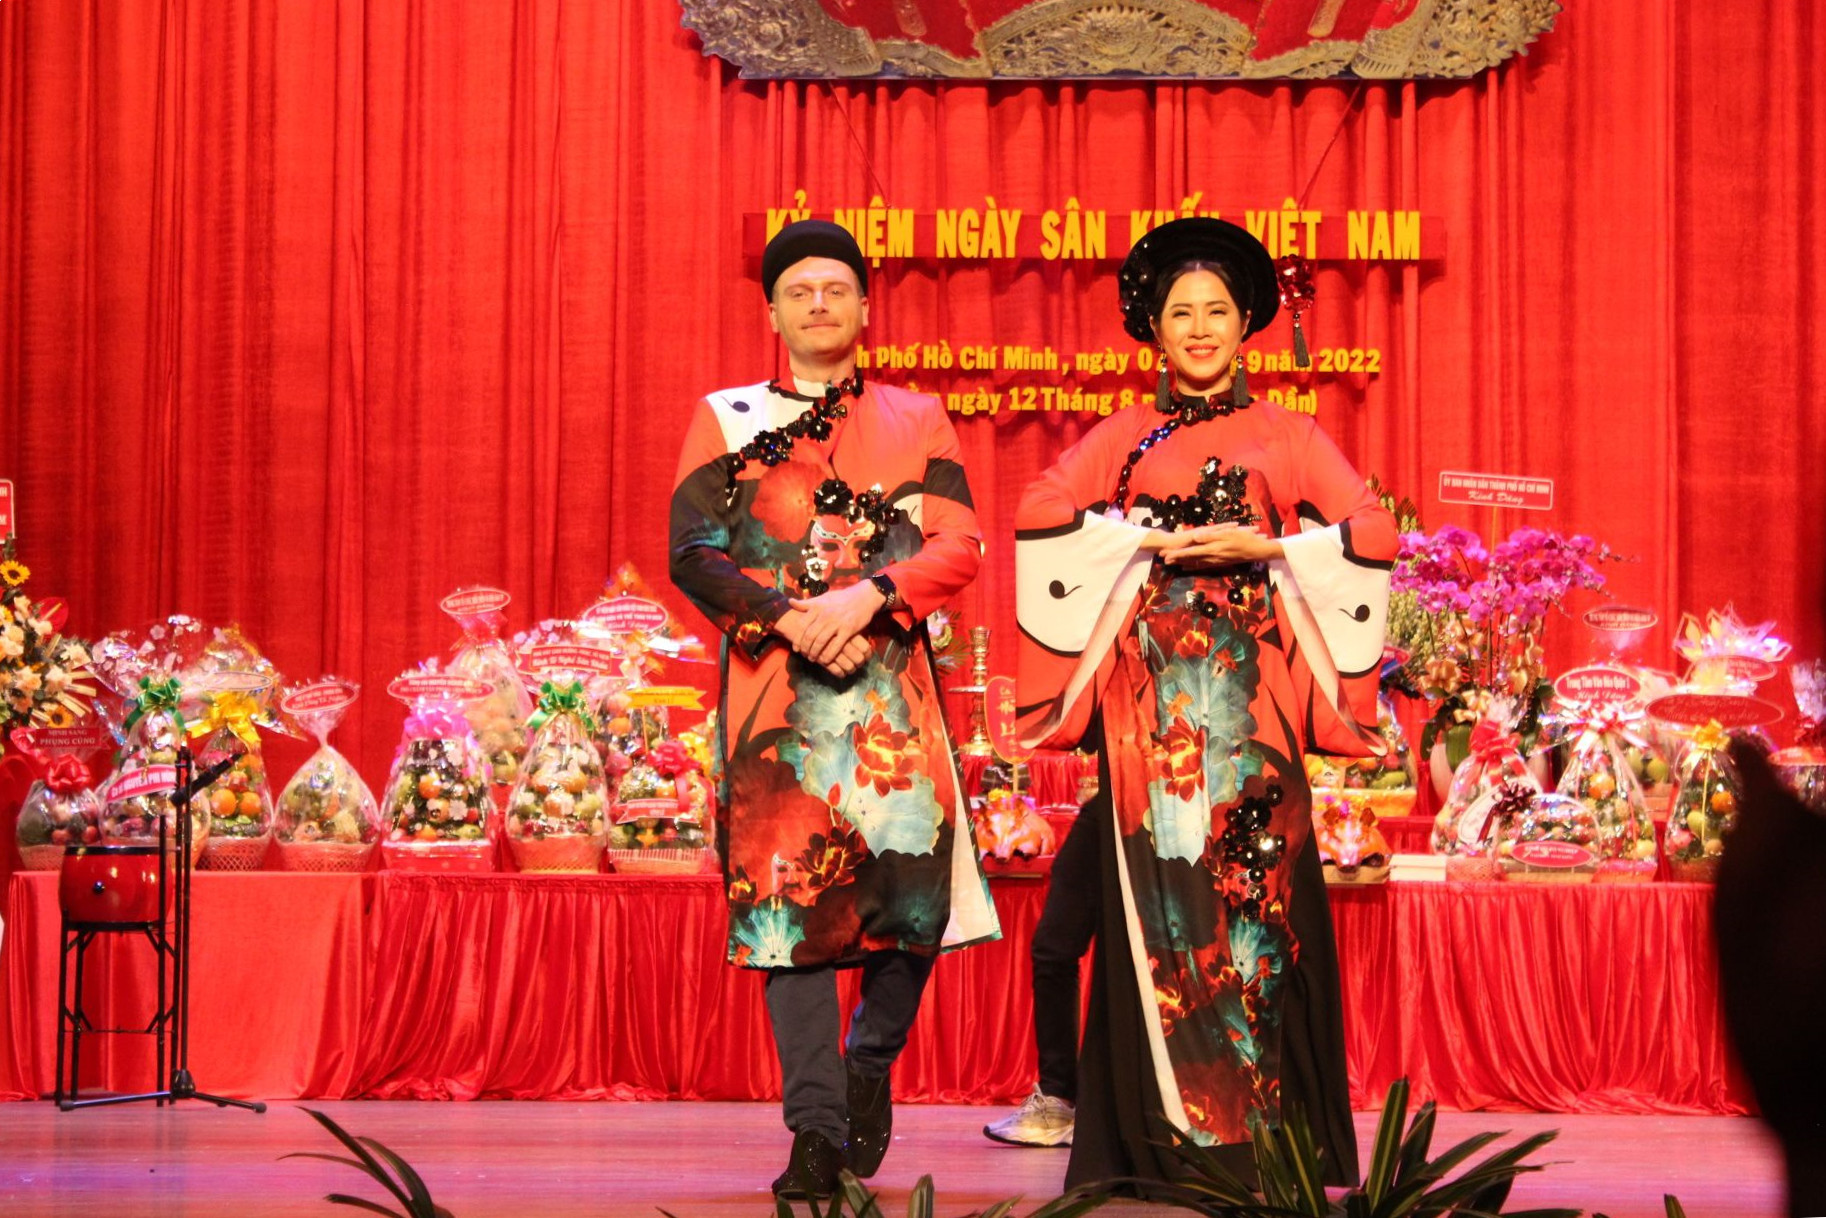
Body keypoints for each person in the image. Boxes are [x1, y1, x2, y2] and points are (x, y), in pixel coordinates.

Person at [1013, 217, 1394, 1190]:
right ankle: (1157, 1147)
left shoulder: (1288, 434)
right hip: (1148, 719)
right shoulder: (1119, 437)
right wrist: (1141, 542)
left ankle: (1266, 1146)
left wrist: (1267, 549)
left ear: (1243, 324)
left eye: (1215, 311)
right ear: (1152, 327)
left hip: (1252, 712)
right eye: (1179, 312)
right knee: (1162, 911)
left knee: (1254, 906)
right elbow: (1041, 511)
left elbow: (1371, 526)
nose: (1197, 328)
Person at [669, 219, 999, 1201]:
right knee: (791, 917)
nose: (818, 305)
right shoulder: (725, 417)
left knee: (914, 904)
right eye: (799, 292)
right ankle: (813, 1128)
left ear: (863, 308)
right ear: (772, 314)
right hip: (777, 695)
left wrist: (868, 599)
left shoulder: (917, 416)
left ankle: (868, 1065)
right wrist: (796, 621)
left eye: (836, 289)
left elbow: (958, 545)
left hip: (892, 688)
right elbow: (693, 552)